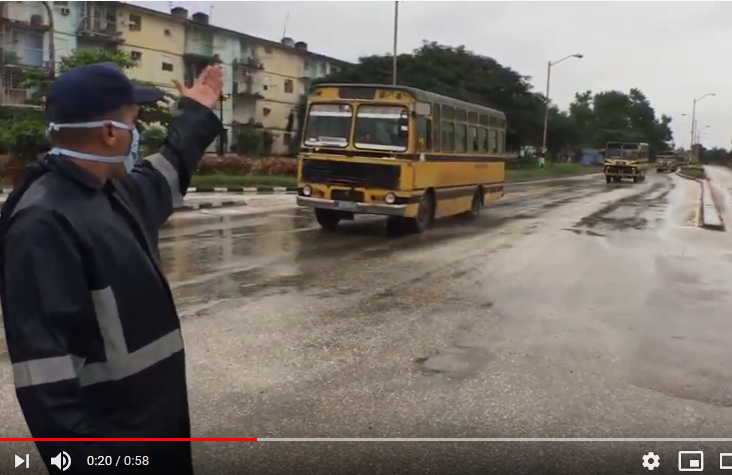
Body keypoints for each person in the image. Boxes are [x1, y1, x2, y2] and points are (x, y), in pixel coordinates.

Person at [0, 63, 223, 473]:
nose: (136, 136)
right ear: (109, 133)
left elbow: (170, 167)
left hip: (155, 434)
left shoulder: (113, 192)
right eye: (132, 123)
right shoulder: (43, 224)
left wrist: (197, 112)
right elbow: (47, 385)